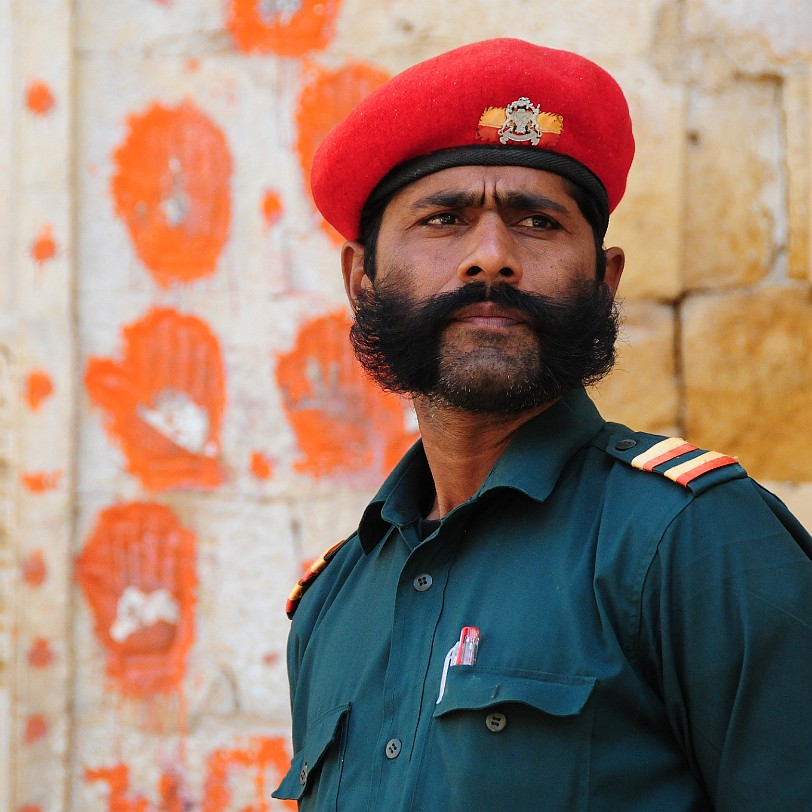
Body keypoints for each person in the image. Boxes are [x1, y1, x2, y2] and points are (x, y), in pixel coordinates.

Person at [273, 38, 812, 811]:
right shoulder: (333, 601)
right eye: (444, 217)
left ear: (604, 277)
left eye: (536, 221)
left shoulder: (693, 542)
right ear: (362, 279)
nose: (490, 259)